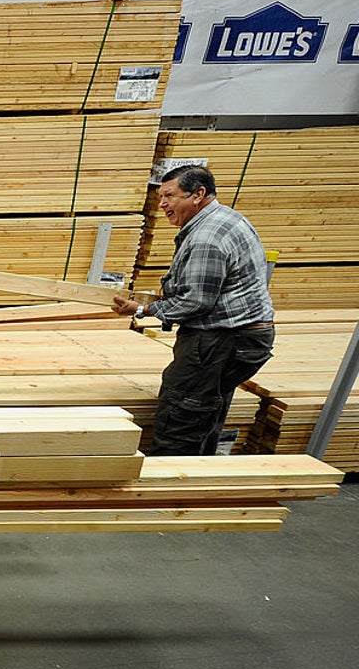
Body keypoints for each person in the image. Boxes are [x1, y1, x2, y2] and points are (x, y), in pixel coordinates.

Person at [112, 165, 275, 456]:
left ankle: (172, 477)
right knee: (205, 409)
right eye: (161, 197)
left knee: (182, 414)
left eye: (170, 196)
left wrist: (144, 309)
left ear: (198, 194)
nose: (162, 204)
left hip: (220, 341)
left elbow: (196, 302)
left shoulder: (205, 238)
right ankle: (200, 472)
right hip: (242, 338)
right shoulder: (227, 218)